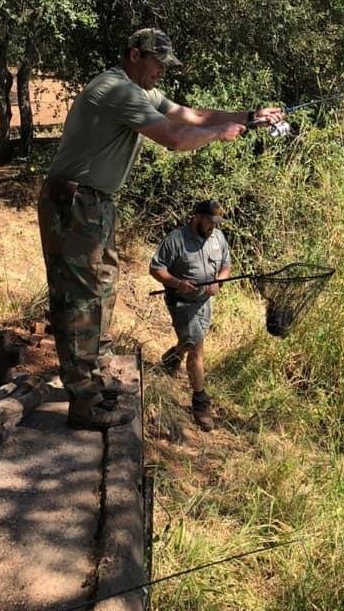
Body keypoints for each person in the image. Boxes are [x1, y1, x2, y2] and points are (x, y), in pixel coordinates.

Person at [37, 28, 282, 431]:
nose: (162, 74)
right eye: (158, 64)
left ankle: (96, 380)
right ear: (135, 55)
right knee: (81, 299)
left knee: (100, 292)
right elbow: (174, 137)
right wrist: (220, 134)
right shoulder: (117, 89)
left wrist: (249, 118)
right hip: (76, 204)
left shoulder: (142, 91)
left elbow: (191, 116)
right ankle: (84, 402)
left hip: (94, 204)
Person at [150, 199, 231, 431]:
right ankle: (200, 401)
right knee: (196, 348)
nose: (212, 227)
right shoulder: (176, 240)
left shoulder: (218, 238)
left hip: (205, 303)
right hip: (181, 303)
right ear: (197, 217)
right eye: (209, 221)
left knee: (191, 341)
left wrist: (220, 281)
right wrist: (177, 283)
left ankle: (172, 356)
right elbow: (156, 268)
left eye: (216, 222)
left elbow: (226, 265)